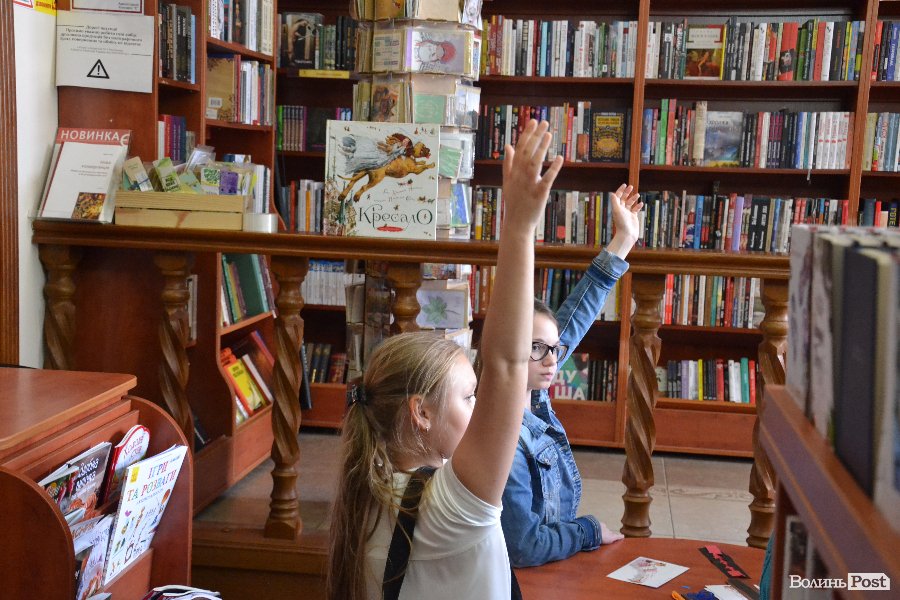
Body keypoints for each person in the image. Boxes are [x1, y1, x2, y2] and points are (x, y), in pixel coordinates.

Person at [326, 119, 563, 600]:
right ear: (421, 412)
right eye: (471, 396)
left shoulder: (367, 495)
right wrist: (519, 228)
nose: (484, 406)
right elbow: (507, 365)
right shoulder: (451, 509)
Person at [501, 182, 643, 567]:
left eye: (555, 349)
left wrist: (624, 239)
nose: (552, 361)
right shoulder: (504, 434)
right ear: (504, 345)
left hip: (554, 561)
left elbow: (577, 315)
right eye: (537, 347)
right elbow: (524, 548)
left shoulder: (533, 389)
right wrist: (588, 532)